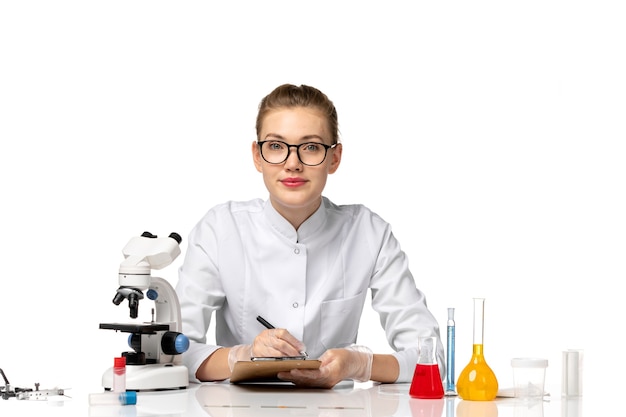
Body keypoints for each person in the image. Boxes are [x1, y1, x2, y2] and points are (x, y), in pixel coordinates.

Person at [175, 83, 445, 388]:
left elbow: (431, 359)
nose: (293, 163)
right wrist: (243, 356)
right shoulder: (221, 230)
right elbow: (173, 350)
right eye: (276, 146)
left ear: (335, 158)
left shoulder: (368, 233)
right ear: (257, 156)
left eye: (311, 147)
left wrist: (358, 364)